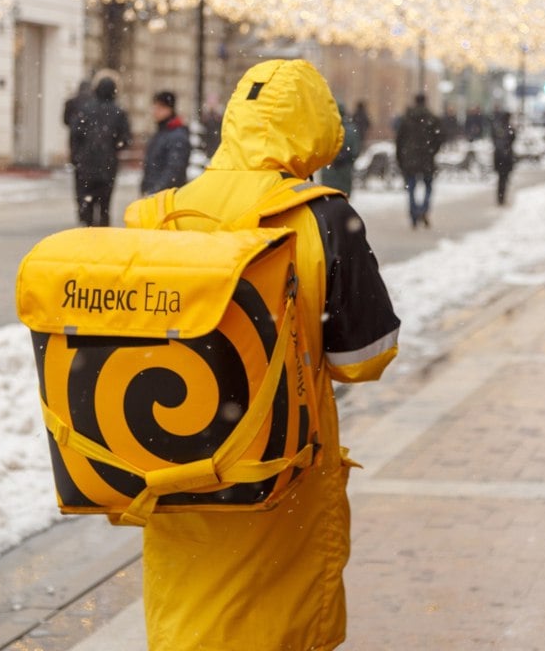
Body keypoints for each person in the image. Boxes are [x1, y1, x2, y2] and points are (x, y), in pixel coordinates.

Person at [140, 58, 400, 651]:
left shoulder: (164, 212)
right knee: (275, 623)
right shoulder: (324, 217)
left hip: (178, 468)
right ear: (315, 129)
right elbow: (365, 356)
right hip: (277, 472)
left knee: (191, 622)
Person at [69, 75, 131, 227]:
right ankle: (102, 235)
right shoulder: (118, 112)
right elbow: (125, 140)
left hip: (85, 165)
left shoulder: (85, 109)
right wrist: (112, 147)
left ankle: (87, 230)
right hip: (107, 166)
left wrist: (76, 156)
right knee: (104, 204)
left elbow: (74, 135)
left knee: (85, 202)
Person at [395, 93, 443, 228]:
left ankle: (414, 214)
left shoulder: (407, 119)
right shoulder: (432, 119)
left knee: (411, 187)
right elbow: (439, 138)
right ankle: (423, 209)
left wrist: (400, 157)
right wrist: (432, 151)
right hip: (427, 157)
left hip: (410, 158)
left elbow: (399, 140)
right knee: (428, 186)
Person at [140, 90, 191, 196]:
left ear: (168, 109)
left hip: (165, 197)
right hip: (154, 195)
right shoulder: (161, 132)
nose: (154, 111)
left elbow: (174, 170)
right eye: (154, 107)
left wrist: (155, 191)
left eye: (159, 108)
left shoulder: (177, 136)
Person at [320, 103, 362, 196]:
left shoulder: (325, 128)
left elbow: (320, 150)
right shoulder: (351, 129)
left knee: (329, 202)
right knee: (343, 202)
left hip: (329, 174)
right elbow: (355, 151)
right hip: (344, 173)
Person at [491, 110, 517, 206]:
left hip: (499, 157)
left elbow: (494, 140)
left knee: (501, 178)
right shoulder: (508, 128)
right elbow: (513, 139)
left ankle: (500, 197)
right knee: (504, 179)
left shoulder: (498, 128)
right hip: (505, 158)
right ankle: (501, 197)